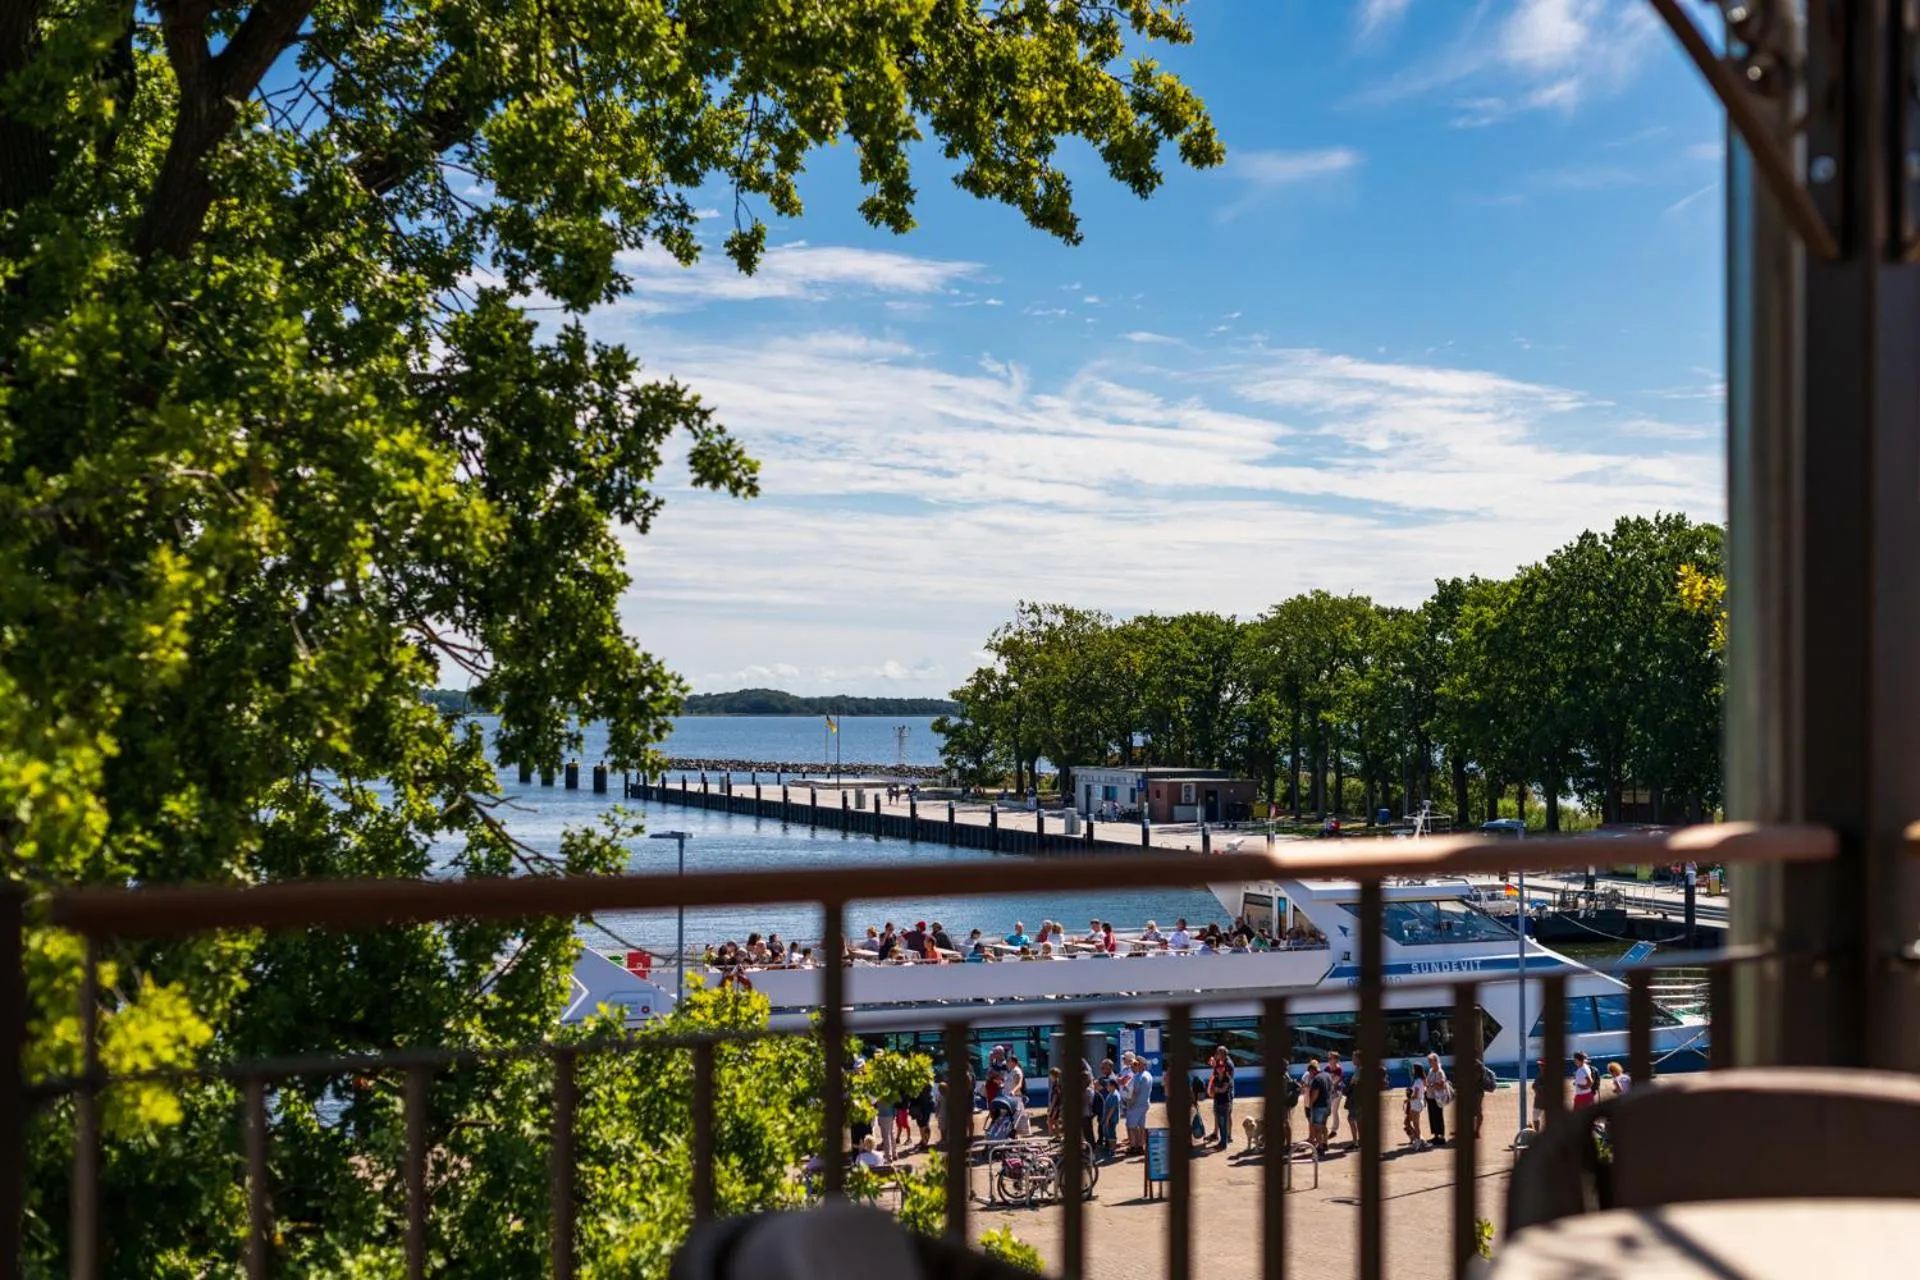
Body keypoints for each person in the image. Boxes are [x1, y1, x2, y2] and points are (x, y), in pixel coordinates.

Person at [1124, 1053, 1154, 1156]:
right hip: (1145, 1103)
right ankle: (1141, 1146)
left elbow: (1135, 1093)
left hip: (1136, 1104)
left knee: (1131, 1126)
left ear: (1140, 1064)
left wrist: (1130, 1104)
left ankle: (1133, 1147)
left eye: (1135, 1064)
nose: (1133, 1065)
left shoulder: (1139, 1077)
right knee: (1141, 1126)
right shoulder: (1148, 1075)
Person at [1206, 1045, 1235, 1149]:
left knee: (1227, 1114)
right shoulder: (1221, 1062)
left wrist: (1219, 1089)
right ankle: (1216, 1134)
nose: (1216, 1054)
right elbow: (1216, 1071)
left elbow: (1228, 1080)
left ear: (1222, 1054)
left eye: (1217, 1053)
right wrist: (1213, 1064)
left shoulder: (1228, 1064)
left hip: (1226, 1093)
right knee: (1217, 1113)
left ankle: (1228, 1135)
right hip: (1219, 1093)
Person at [1304, 1057, 1334, 1152]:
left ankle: (1320, 1148)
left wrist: (1310, 1104)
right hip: (1327, 1105)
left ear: (1312, 1070)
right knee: (1324, 1126)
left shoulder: (1316, 1079)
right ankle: (1325, 1144)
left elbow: (1315, 1094)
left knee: (1317, 1128)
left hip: (1318, 1106)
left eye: (1310, 1073)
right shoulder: (1328, 1075)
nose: (1310, 1075)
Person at [1425, 1051, 1451, 1145]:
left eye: (1430, 1061)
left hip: (1438, 1098)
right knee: (1432, 1116)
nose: (1429, 1063)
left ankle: (1441, 1137)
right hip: (1430, 1097)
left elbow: (1442, 1086)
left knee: (1438, 1116)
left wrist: (1432, 1085)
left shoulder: (1440, 1072)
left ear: (1436, 1061)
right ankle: (1435, 1135)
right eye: (1429, 1061)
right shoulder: (1431, 1071)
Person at [1404, 1063, 1430, 1151]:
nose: (1412, 1070)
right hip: (1418, 1103)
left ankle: (1419, 1141)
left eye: (1413, 1069)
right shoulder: (1421, 1080)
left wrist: (1407, 1100)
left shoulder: (1418, 1081)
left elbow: (1416, 1095)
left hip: (1416, 1103)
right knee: (1410, 1122)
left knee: (1415, 1124)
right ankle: (1419, 1140)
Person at [1099, 1077, 1122, 1160]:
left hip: (1112, 1118)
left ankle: (1112, 1150)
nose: (1107, 1087)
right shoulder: (1111, 1093)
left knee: (1111, 1134)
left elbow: (1112, 1108)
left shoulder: (1115, 1095)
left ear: (1113, 1086)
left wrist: (1107, 1119)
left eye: (1108, 1085)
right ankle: (1111, 1149)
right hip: (1109, 1118)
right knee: (1109, 1133)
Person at [1325, 1050, 1346, 1140]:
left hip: (1337, 1092)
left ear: (1335, 1059)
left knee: (1334, 1110)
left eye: (1330, 1058)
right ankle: (1330, 1130)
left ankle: (1334, 1130)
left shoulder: (1338, 1069)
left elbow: (1336, 1082)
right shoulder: (1327, 1068)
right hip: (1330, 1092)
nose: (1329, 1059)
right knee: (1330, 1111)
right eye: (1328, 1058)